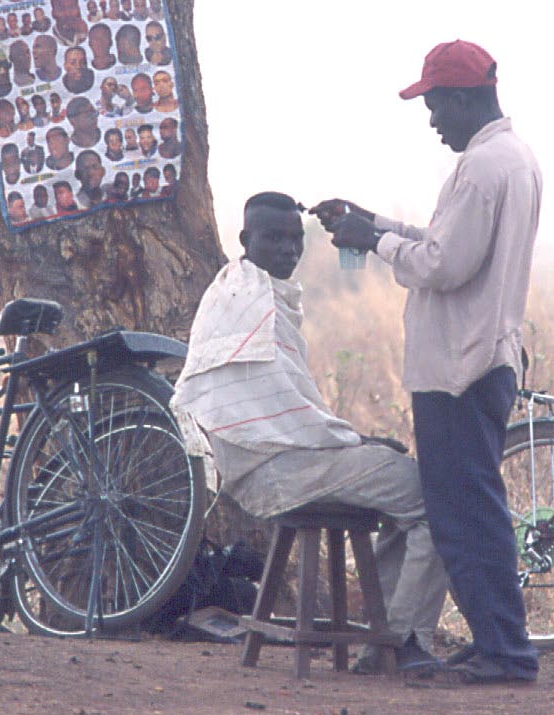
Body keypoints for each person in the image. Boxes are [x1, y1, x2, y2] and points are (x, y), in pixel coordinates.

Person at [310, 40, 542, 685]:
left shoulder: (481, 168)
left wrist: (373, 242)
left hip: (458, 367)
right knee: (475, 509)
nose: (434, 120)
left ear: (463, 98)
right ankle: (501, 640)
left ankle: (506, 653)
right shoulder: (512, 159)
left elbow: (443, 265)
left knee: (463, 517)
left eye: (436, 105)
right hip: (485, 357)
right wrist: (376, 222)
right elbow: (449, 244)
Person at [172, 191, 449, 675]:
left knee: (410, 499)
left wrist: (349, 440)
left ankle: (380, 642)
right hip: (274, 469)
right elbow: (288, 417)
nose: (288, 250)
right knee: (441, 499)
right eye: (274, 238)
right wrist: (353, 441)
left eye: (295, 239)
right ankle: (404, 642)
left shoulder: (240, 289)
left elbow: (285, 406)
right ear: (246, 240)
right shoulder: (248, 299)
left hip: (278, 461)